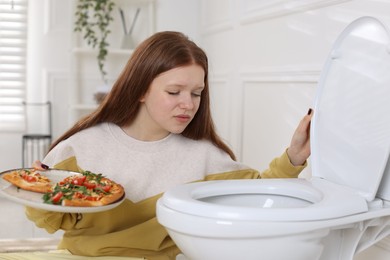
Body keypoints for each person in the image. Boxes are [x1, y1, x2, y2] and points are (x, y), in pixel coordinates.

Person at [1, 31, 312, 260]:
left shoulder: (204, 156)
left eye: (197, 93)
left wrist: (294, 157)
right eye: (174, 91)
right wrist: (36, 191)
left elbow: (258, 194)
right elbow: (53, 222)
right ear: (140, 90)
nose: (188, 104)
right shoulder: (81, 148)